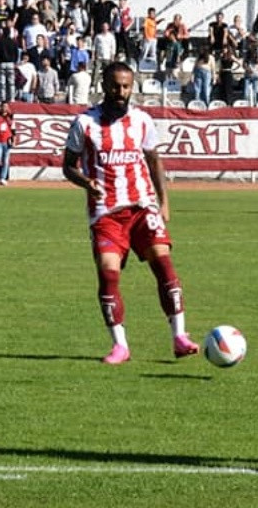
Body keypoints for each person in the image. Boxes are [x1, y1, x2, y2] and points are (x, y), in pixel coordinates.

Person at [62, 62, 200, 365]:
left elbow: (154, 160)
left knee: (164, 265)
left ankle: (179, 336)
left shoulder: (142, 121)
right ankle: (120, 346)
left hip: (142, 206)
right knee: (108, 274)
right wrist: (86, 182)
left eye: (126, 87)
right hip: (106, 213)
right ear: (104, 86)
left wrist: (163, 201)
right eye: (115, 86)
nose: (121, 92)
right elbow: (67, 166)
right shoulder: (84, 123)